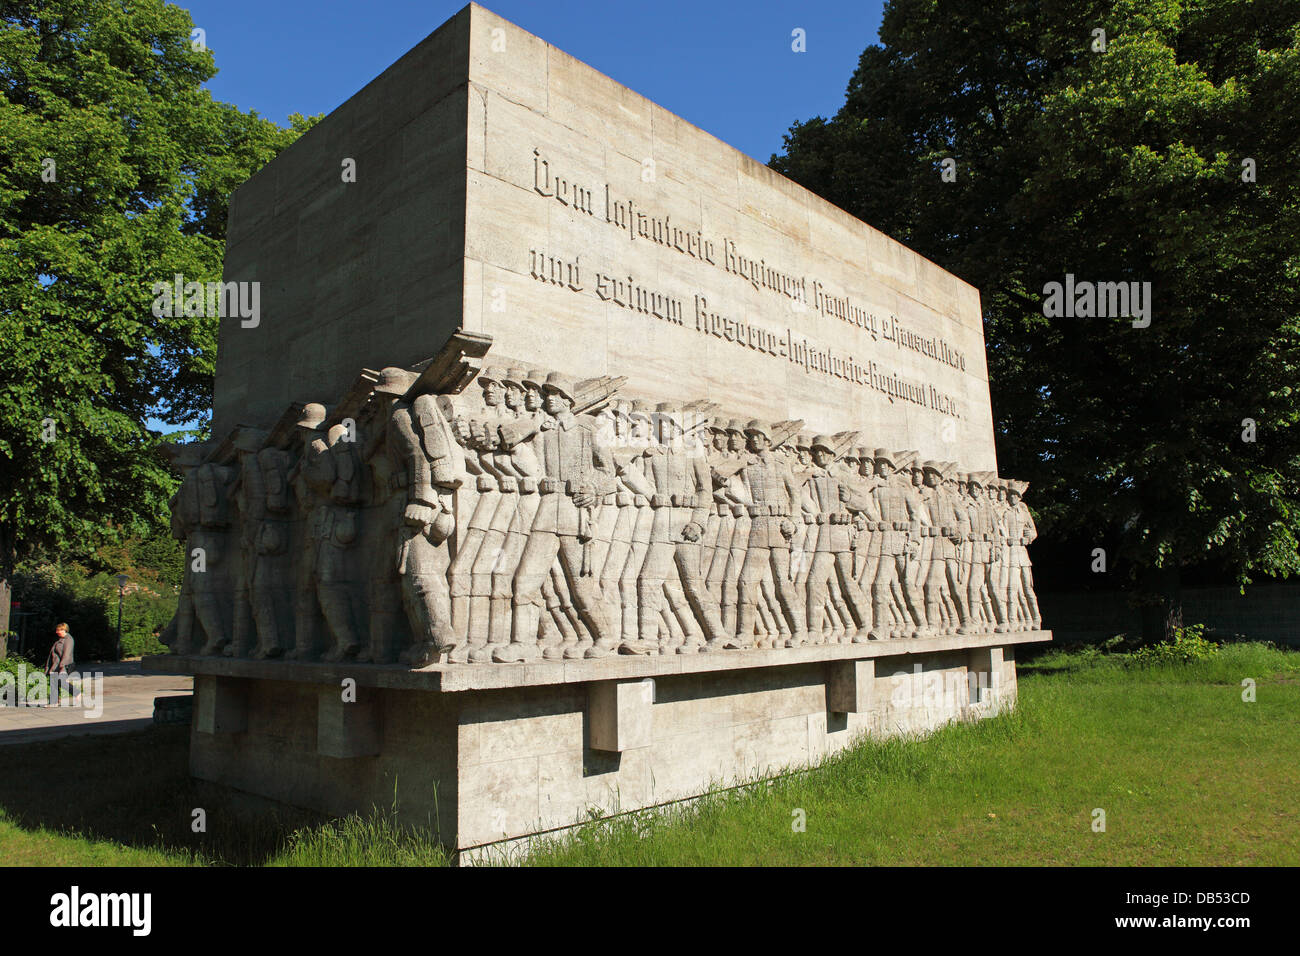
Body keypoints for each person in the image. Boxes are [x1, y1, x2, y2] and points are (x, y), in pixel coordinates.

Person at [44, 622, 77, 707]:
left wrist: (62, 667)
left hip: (63, 666)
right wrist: (48, 667)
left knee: (61, 682)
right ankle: (54, 702)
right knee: (53, 682)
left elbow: (67, 654)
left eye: (58, 630)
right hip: (55, 666)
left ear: (64, 630)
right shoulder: (59, 641)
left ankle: (76, 692)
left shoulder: (69, 640)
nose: (56, 632)